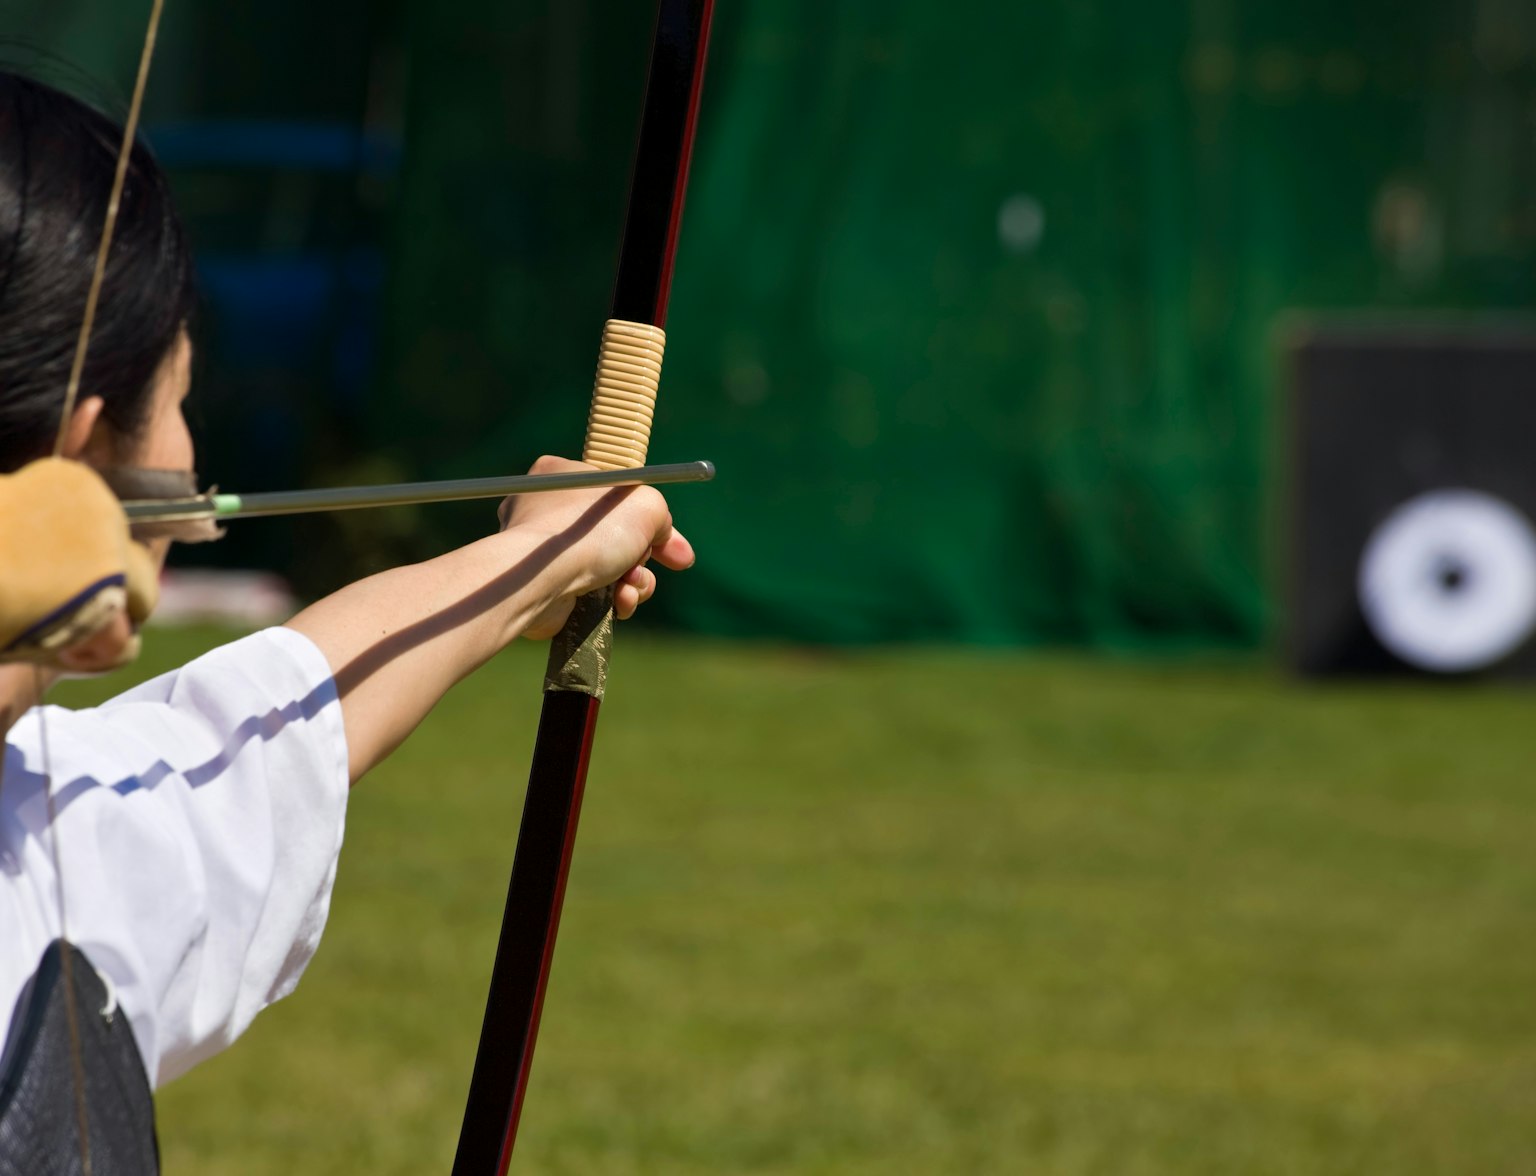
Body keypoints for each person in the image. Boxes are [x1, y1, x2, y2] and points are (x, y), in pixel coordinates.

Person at [0, 70, 694, 1165]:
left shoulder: (64, 834)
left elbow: (280, 712)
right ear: (87, 456)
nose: (191, 460)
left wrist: (532, 558)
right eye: (180, 397)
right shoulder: (52, 862)